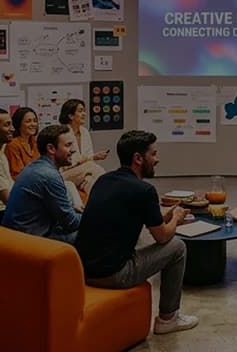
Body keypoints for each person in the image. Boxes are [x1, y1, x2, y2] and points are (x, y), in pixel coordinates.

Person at [76, 130, 200, 335]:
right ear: (138, 158)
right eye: (153, 154)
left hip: (85, 270)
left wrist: (162, 216)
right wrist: (176, 219)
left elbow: (126, 216)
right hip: (113, 274)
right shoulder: (144, 190)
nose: (157, 159)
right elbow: (162, 236)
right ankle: (168, 318)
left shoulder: (104, 180)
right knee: (177, 247)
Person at [3, 124, 83, 244]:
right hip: (30, 242)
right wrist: (93, 214)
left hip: (18, 236)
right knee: (99, 228)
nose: (73, 150)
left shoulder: (36, 166)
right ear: (51, 148)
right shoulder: (49, 176)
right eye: (68, 145)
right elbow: (71, 223)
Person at [57, 98, 108, 194]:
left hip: (84, 172)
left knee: (91, 181)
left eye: (84, 111)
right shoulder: (62, 134)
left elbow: (90, 159)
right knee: (92, 168)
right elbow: (67, 164)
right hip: (64, 174)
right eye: (80, 111)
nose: (84, 114)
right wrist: (92, 157)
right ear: (71, 116)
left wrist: (89, 160)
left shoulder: (85, 132)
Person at [3, 107, 41, 179]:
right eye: (28, 121)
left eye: (35, 121)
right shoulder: (13, 145)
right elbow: (17, 175)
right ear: (19, 124)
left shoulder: (35, 142)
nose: (33, 124)